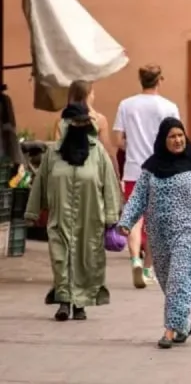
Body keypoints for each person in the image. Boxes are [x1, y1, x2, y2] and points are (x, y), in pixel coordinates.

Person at [118, 118, 191, 348]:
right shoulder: (152, 168)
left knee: (179, 279)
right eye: (172, 136)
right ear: (163, 140)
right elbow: (139, 197)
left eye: (180, 135)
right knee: (168, 281)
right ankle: (183, 324)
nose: (178, 140)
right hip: (159, 236)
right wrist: (127, 221)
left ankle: (169, 331)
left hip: (190, 233)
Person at [24, 102, 121, 321]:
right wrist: (32, 213)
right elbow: (40, 183)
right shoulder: (53, 154)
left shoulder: (98, 153)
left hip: (91, 217)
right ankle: (64, 302)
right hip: (59, 217)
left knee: (86, 260)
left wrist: (112, 217)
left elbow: (109, 184)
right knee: (60, 258)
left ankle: (81, 303)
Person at [113, 64, 180, 289]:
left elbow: (118, 140)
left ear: (140, 80)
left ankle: (134, 260)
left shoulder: (126, 105)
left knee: (135, 218)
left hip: (134, 170)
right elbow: (177, 140)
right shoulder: (169, 107)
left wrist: (131, 147)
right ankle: (149, 268)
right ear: (160, 79)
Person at [53, 80, 119, 176]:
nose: (94, 97)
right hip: (92, 170)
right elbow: (107, 150)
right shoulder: (99, 120)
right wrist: (116, 173)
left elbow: (56, 146)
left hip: (65, 170)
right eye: (93, 93)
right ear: (88, 95)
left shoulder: (61, 120)